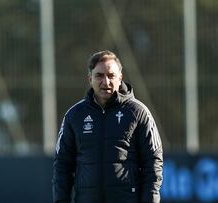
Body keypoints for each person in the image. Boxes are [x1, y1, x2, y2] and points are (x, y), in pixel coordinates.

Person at [53, 50, 163, 203]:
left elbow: (153, 162)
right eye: (99, 75)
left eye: (111, 75)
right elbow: (62, 165)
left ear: (120, 78)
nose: (106, 82)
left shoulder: (138, 113)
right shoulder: (74, 115)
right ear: (89, 79)